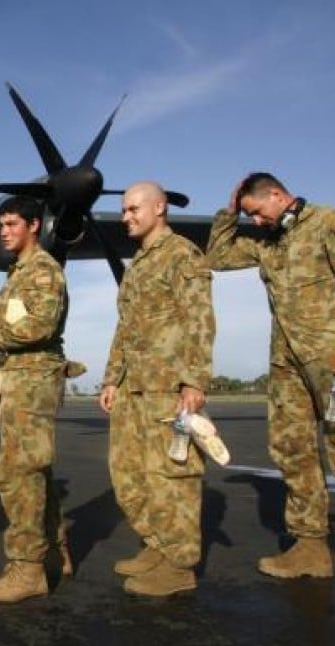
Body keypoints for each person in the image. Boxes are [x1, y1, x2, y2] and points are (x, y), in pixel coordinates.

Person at [206, 172, 335, 592]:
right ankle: (310, 547)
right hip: (286, 364)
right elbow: (217, 256)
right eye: (250, 216)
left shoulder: (329, 222)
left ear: (278, 195)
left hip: (334, 360)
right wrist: (229, 214)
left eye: (258, 212)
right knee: (291, 449)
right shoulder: (268, 242)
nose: (258, 223)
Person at [98, 181, 215, 596]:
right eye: (124, 211)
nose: (125, 217)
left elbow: (199, 319)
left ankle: (179, 564)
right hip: (134, 387)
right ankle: (158, 543)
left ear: (159, 207)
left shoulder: (181, 254)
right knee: (128, 473)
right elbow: (125, 328)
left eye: (133, 209)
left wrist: (195, 380)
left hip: (167, 386)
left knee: (171, 475)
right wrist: (112, 377)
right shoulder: (140, 264)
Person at [0, 195, 71, 602]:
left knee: (18, 474)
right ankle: (54, 552)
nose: (4, 231)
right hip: (19, 376)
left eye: (13, 223)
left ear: (34, 225)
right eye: (2, 225)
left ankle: (26, 569)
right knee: (34, 471)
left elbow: (41, 324)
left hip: (33, 379)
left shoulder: (44, 270)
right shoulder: (18, 272)